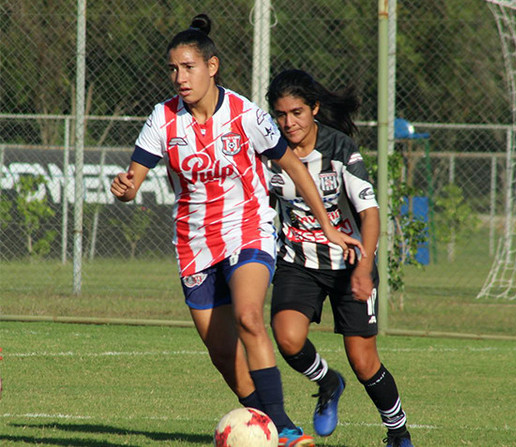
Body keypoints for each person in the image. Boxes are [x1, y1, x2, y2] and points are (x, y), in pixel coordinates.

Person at [110, 16, 363, 447]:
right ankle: (263, 422)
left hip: (249, 228)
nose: (180, 77)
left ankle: (283, 429)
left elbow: (294, 167)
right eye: (173, 69)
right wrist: (125, 188)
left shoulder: (246, 115)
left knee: (249, 317)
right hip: (193, 242)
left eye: (188, 67)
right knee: (222, 353)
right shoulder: (163, 119)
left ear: (212, 66)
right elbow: (132, 181)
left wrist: (329, 227)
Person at [266, 69, 415, 447]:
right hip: (298, 262)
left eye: (297, 112)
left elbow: (370, 214)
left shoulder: (340, 149)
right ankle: (328, 382)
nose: (289, 122)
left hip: (350, 264)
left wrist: (364, 269)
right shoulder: (269, 154)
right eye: (281, 114)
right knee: (287, 338)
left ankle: (398, 431)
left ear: (314, 109)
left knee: (364, 361)